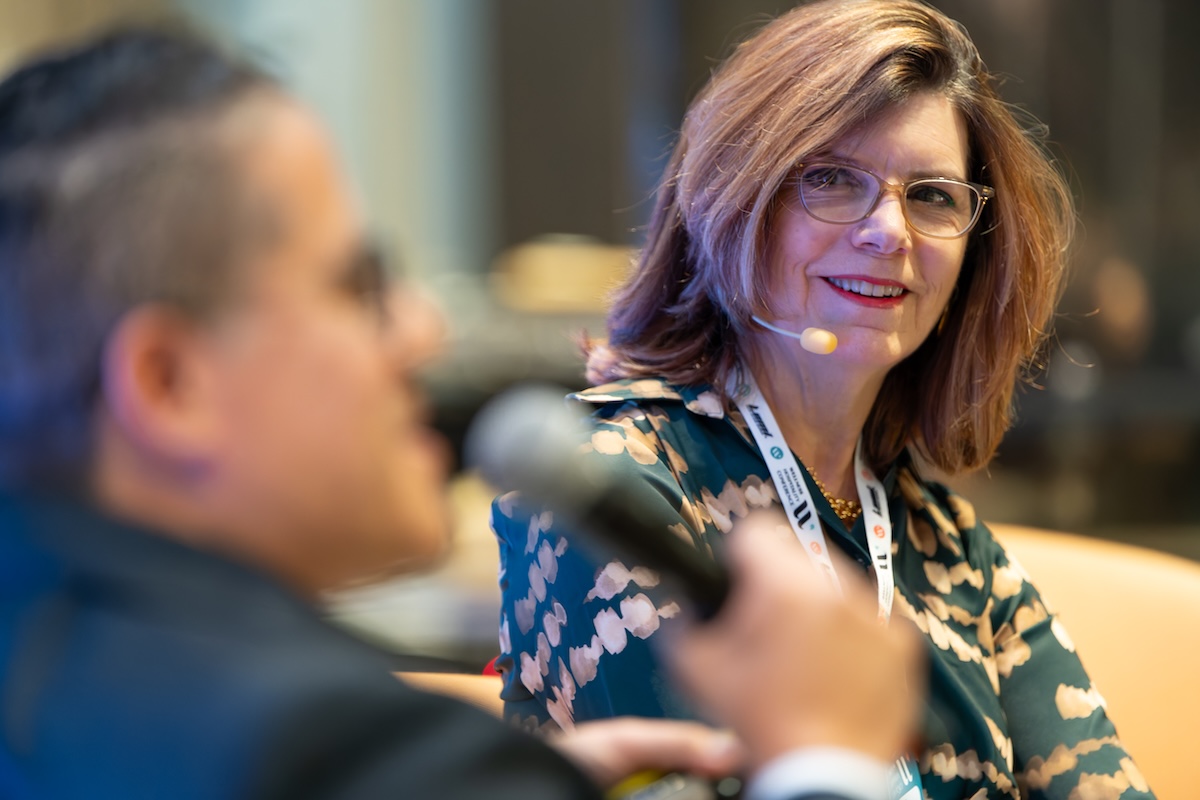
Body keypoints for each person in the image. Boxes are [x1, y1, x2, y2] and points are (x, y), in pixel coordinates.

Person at [0, 25, 925, 800]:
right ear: (170, 386)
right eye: (360, 288)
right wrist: (826, 757)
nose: (422, 327)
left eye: (932, 198)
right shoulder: (339, 750)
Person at [492, 1, 1155, 799]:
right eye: (833, 180)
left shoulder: (951, 545)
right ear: (736, 196)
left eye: (934, 196)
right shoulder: (612, 491)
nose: (889, 230)